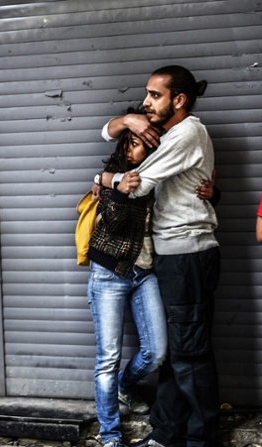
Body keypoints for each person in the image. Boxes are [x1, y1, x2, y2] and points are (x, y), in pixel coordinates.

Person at [98, 66, 221, 447]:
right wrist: (127, 120)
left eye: (155, 95)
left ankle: (201, 439)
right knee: (177, 351)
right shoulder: (171, 134)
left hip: (188, 254)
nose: (148, 102)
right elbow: (110, 135)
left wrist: (103, 180)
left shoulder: (187, 133)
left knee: (190, 353)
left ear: (179, 100)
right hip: (171, 256)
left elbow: (133, 185)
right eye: (147, 95)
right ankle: (167, 433)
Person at [88, 119, 167, 447]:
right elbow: (116, 226)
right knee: (107, 357)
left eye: (136, 143)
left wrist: (213, 193)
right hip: (109, 273)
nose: (128, 148)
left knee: (157, 352)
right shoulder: (116, 178)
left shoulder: (160, 174)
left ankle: (125, 384)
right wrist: (115, 188)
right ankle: (110, 436)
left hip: (145, 273)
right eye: (126, 143)